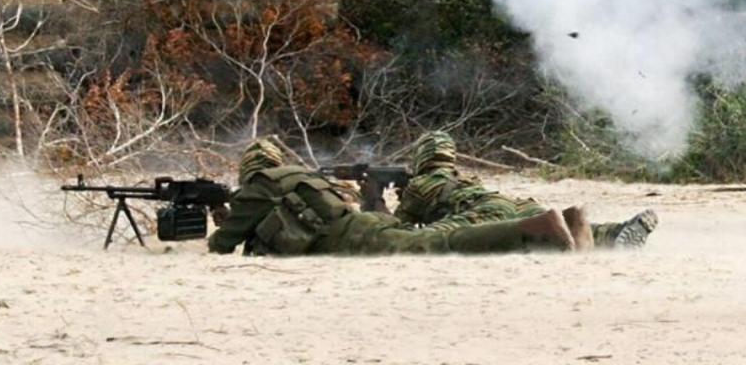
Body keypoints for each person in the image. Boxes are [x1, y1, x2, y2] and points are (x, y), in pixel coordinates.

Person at [207, 137, 580, 256]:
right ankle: (569, 226)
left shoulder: (259, 189)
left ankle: (534, 230)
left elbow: (221, 246)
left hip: (353, 236)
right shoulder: (291, 179)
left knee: (434, 243)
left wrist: (224, 217)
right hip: (359, 225)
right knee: (429, 240)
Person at [395, 130, 658, 250]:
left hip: (482, 213)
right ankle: (615, 232)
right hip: (512, 203)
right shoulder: (461, 178)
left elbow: (396, 227)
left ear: (422, 156)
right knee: (562, 224)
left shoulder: (421, 184)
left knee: (423, 241)